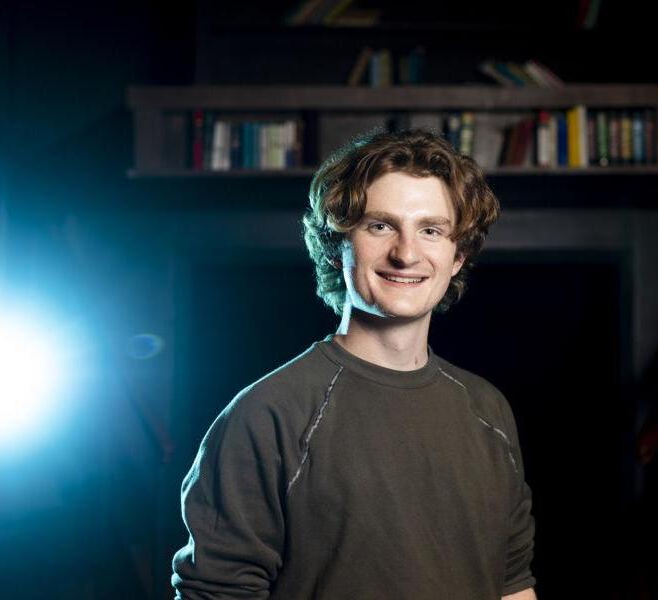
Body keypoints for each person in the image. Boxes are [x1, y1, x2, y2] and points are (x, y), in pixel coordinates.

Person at [171, 129, 537, 600]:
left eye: (431, 229)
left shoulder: (489, 409)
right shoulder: (267, 414)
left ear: (457, 254)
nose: (406, 253)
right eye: (380, 225)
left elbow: (512, 583)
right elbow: (217, 593)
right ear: (336, 244)